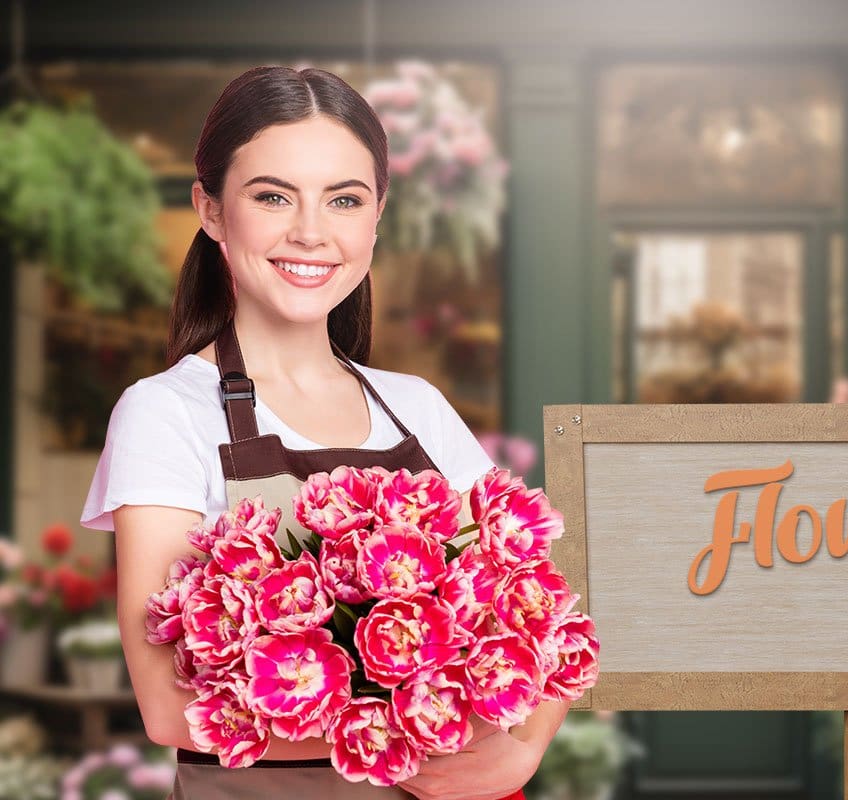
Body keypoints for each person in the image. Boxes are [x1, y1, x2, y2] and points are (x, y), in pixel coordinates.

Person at [79, 65, 568, 799]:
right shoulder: (166, 413)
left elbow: (548, 617)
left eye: (344, 199)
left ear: (376, 219)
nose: (311, 232)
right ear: (210, 211)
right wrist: (408, 737)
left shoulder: (419, 408)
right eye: (272, 196)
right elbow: (167, 706)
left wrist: (524, 751)